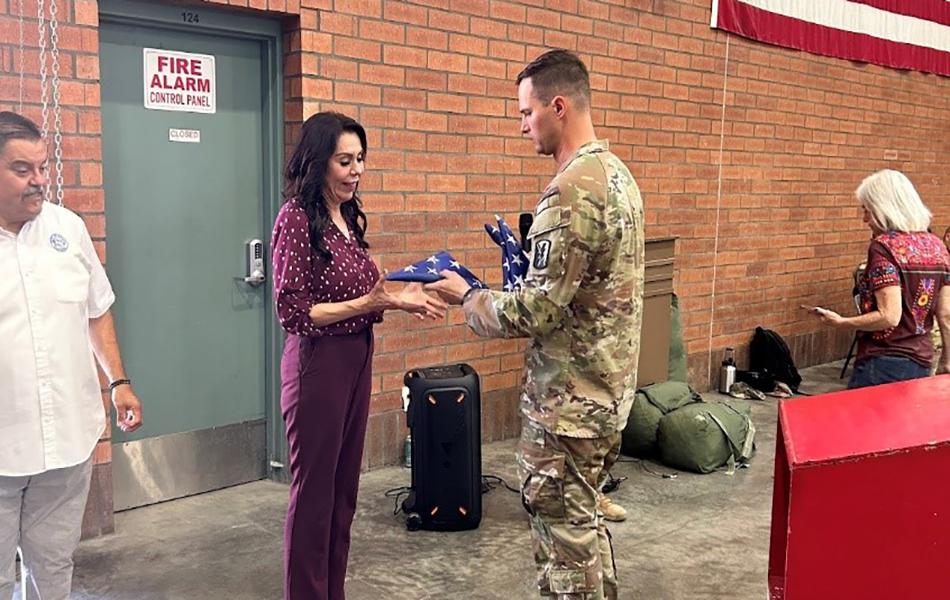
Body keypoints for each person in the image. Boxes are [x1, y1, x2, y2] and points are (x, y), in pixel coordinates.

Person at [427, 50, 644, 600]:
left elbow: (536, 310)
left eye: (526, 113)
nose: (523, 125)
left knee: (564, 552)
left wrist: (470, 297)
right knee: (585, 535)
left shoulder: (569, 190)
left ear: (559, 106)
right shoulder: (618, 176)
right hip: (605, 396)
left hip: (567, 409)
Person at [271, 112, 446, 600]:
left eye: (361, 160)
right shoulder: (297, 219)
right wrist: (373, 302)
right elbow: (293, 312)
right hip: (317, 365)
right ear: (317, 163)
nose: (356, 171)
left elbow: (367, 292)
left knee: (343, 493)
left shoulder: (345, 217)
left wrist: (399, 293)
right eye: (344, 161)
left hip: (357, 358)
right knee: (313, 499)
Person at [0, 111, 143, 599]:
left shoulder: (68, 229)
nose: (39, 180)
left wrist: (118, 382)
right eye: (23, 170)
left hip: (66, 441)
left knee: (54, 568)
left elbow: (96, 311)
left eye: (43, 167)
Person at [807, 169, 950, 388]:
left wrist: (842, 322)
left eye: (867, 210)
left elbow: (889, 316)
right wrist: (947, 361)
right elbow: (946, 314)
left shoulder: (883, 247)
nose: (865, 219)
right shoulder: (937, 246)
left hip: (883, 361)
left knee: (863, 422)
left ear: (884, 208)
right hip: (922, 359)